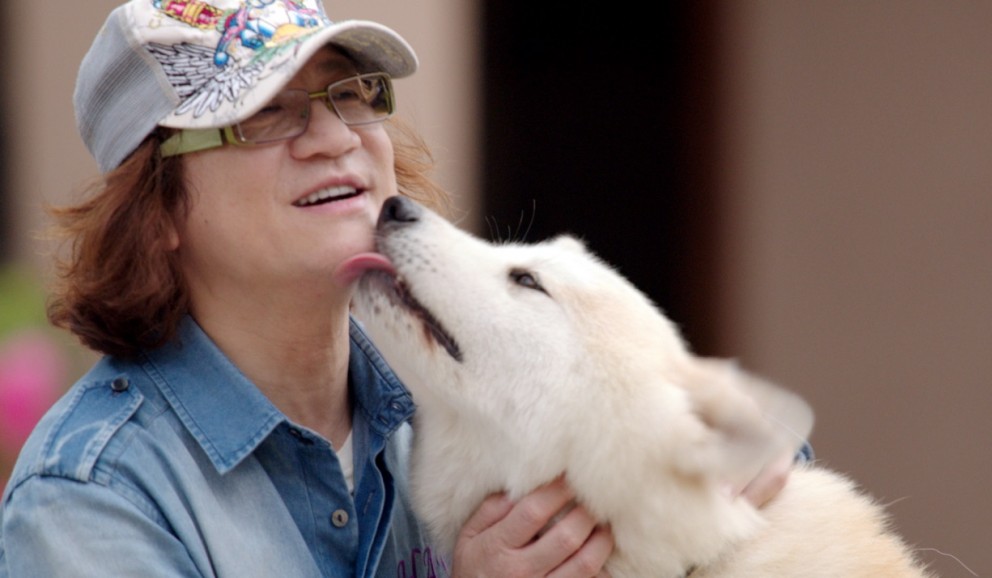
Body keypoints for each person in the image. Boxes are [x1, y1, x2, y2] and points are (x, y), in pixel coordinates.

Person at [0, 1, 796, 576]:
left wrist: (704, 467)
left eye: (349, 95)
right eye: (265, 116)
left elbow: (741, 447)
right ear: (158, 211)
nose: (338, 138)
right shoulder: (89, 497)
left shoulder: (453, 359)